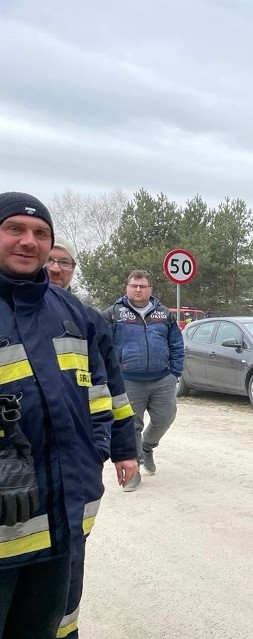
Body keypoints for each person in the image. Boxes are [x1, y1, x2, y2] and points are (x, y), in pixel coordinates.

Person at [0, 192, 115, 636]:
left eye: (40, 233)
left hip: (61, 520)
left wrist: (95, 453)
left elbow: (100, 395)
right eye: (15, 229)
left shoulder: (70, 312)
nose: (29, 241)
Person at [47, 236, 138, 638]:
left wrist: (119, 449)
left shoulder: (87, 320)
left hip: (79, 466)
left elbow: (112, 391)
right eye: (50, 261)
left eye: (64, 262)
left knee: (69, 566)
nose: (55, 269)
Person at [104, 270, 185, 491]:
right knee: (131, 425)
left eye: (142, 286)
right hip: (128, 380)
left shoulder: (164, 314)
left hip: (162, 379)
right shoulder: (114, 314)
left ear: (150, 289)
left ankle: (148, 446)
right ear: (127, 288)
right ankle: (134, 470)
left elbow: (177, 345)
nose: (138, 289)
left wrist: (174, 373)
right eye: (134, 285)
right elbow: (101, 345)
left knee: (165, 418)